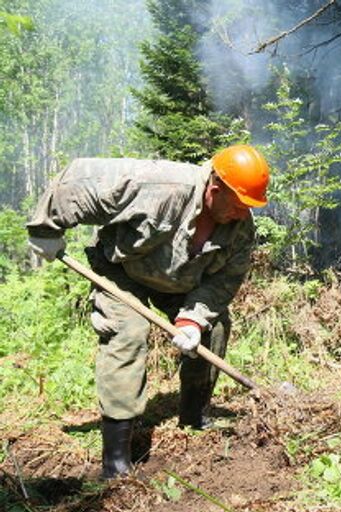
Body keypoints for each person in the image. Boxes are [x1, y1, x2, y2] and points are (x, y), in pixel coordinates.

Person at [26, 145, 269, 479]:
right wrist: (45, 227)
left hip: (183, 283)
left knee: (213, 330)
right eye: (240, 206)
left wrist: (192, 319)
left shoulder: (241, 227)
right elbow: (81, 179)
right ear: (215, 189)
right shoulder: (161, 186)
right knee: (127, 335)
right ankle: (115, 459)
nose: (244, 215)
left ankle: (194, 416)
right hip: (123, 271)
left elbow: (225, 281)